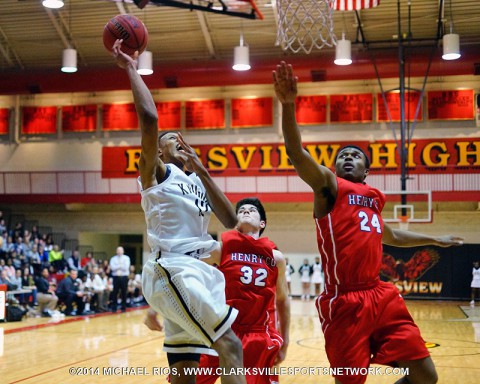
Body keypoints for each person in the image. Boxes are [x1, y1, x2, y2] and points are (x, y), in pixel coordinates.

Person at [273, 61, 464, 384]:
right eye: (342, 155)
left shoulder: (374, 200)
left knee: (425, 375)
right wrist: (288, 105)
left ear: (367, 171)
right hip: (343, 301)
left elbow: (392, 236)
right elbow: (295, 152)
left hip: (380, 295)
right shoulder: (329, 187)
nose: (347, 158)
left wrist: (434, 239)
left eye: (355, 156)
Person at [112, 39, 245, 384]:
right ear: (158, 148)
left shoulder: (196, 181)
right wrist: (131, 67)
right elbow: (150, 118)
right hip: (171, 269)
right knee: (231, 346)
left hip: (195, 271)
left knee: (185, 375)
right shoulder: (155, 173)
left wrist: (202, 170)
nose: (180, 140)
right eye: (172, 138)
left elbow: (231, 221)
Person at [197, 197, 290, 384]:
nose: (246, 211)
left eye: (252, 210)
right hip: (220, 330)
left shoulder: (276, 257)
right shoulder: (221, 249)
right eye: (241, 211)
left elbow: (282, 300)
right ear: (235, 222)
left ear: (262, 223)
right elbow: (184, 265)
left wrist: (285, 339)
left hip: (255, 334)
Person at [109, 246, 130, 312]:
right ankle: (114, 307)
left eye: (121, 250)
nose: (119, 251)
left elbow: (126, 267)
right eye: (118, 250)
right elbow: (112, 268)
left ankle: (123, 307)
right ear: (116, 251)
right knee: (115, 292)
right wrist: (120, 265)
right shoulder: (113, 258)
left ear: (123, 251)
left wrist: (117, 266)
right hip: (115, 277)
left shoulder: (126, 258)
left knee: (124, 292)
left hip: (124, 277)